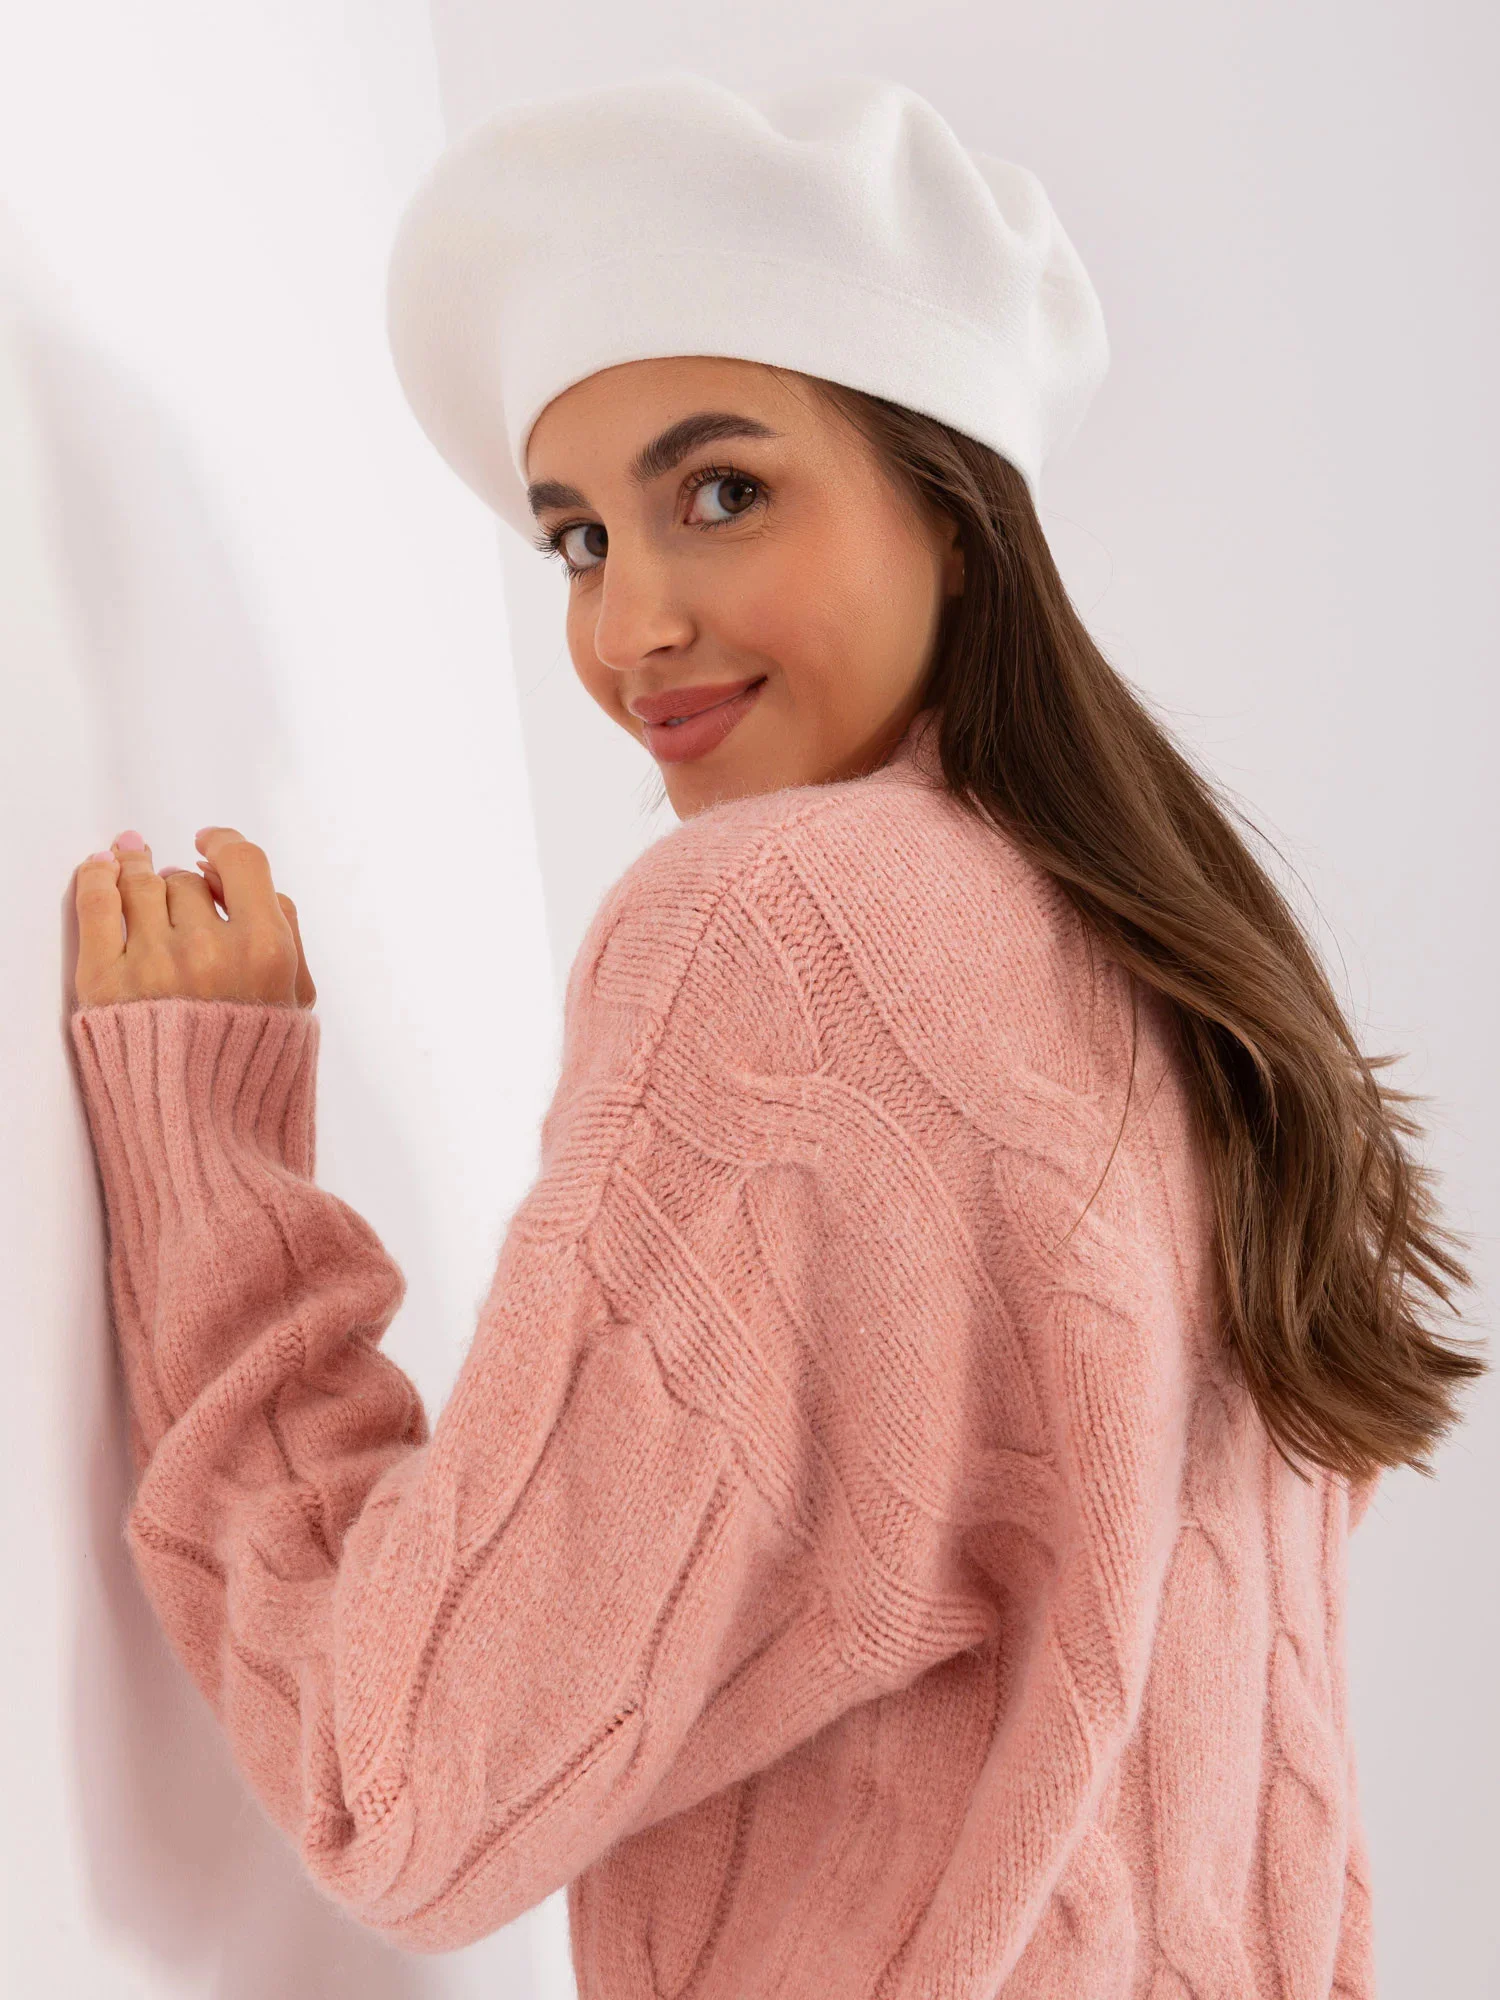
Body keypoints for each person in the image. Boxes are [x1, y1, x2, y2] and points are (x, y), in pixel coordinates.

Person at [66, 72, 1483, 1998]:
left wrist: (216, 1180)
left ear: (955, 515)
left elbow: (405, 1784)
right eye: (580, 540)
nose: (628, 627)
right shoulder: (1201, 982)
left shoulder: (785, 932)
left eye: (721, 495)